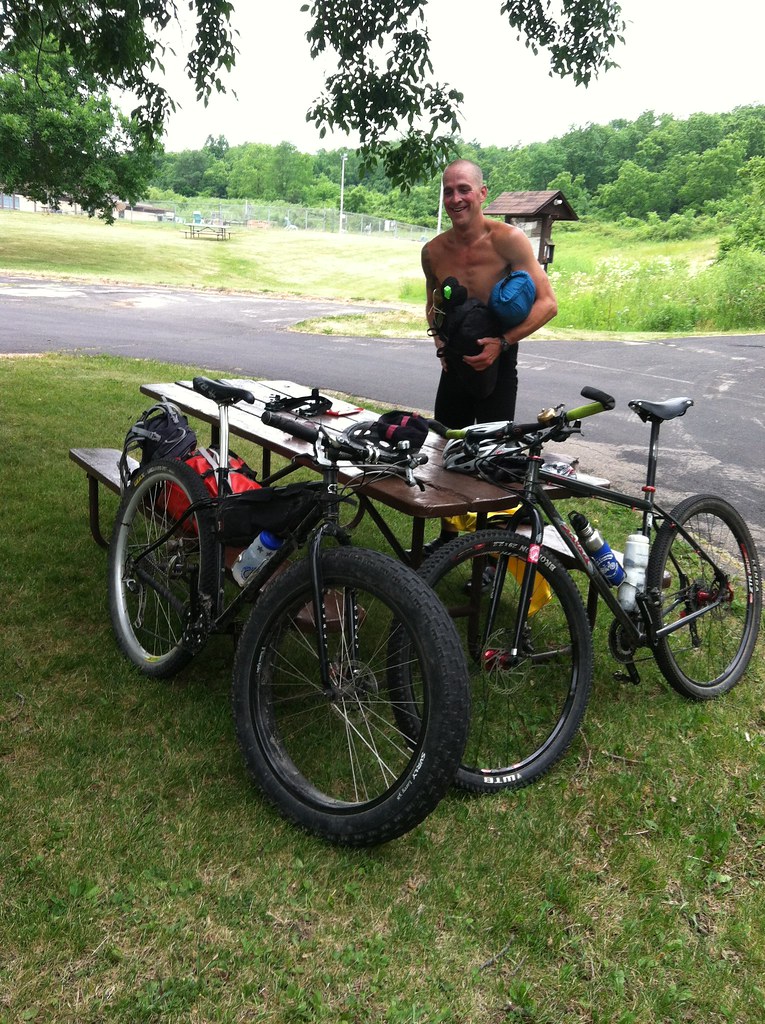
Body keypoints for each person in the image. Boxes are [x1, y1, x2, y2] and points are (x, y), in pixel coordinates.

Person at [420, 159, 558, 554]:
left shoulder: (509, 241)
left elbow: (548, 304)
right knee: (448, 452)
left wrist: (503, 342)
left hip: (499, 363)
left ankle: (490, 552)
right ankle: (449, 538)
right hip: (455, 366)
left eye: (464, 189)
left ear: (482, 193)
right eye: (448, 191)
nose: (455, 198)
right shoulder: (433, 251)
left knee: (494, 460)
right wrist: (440, 343)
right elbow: (432, 305)